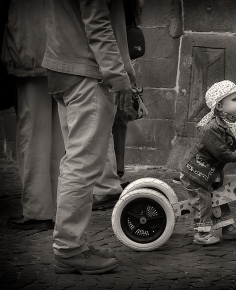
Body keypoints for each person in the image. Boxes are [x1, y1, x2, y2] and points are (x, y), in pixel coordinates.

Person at [42, 0, 135, 274]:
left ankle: (73, 244)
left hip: (64, 64)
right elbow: (97, 22)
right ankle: (69, 249)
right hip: (85, 69)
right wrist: (118, 76)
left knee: (76, 160)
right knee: (83, 163)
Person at [179, 80, 236, 245]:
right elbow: (221, 152)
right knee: (203, 199)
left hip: (212, 172)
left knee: (220, 197)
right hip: (195, 171)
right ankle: (201, 233)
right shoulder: (211, 128)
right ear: (220, 106)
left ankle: (227, 228)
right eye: (234, 100)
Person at [3, 0, 65, 231]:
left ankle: (38, 211)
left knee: (32, 134)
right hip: (61, 53)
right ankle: (56, 206)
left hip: (30, 51)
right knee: (58, 135)